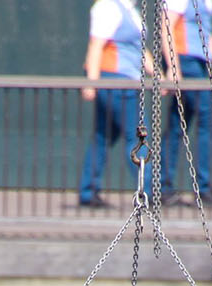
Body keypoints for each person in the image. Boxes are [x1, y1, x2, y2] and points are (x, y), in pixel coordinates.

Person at [77, 0, 155, 209]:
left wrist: (158, 75)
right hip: (115, 81)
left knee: (103, 136)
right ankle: (147, 192)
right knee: (137, 135)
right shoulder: (108, 7)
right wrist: (91, 84)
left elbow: (139, 49)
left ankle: (88, 191)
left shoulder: (130, 10)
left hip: (125, 81)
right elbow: (96, 45)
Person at [159, 0, 212, 207]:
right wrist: (173, 68)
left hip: (199, 62)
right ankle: (203, 188)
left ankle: (164, 187)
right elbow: (167, 27)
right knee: (210, 121)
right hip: (185, 60)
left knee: (177, 123)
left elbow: (206, 32)